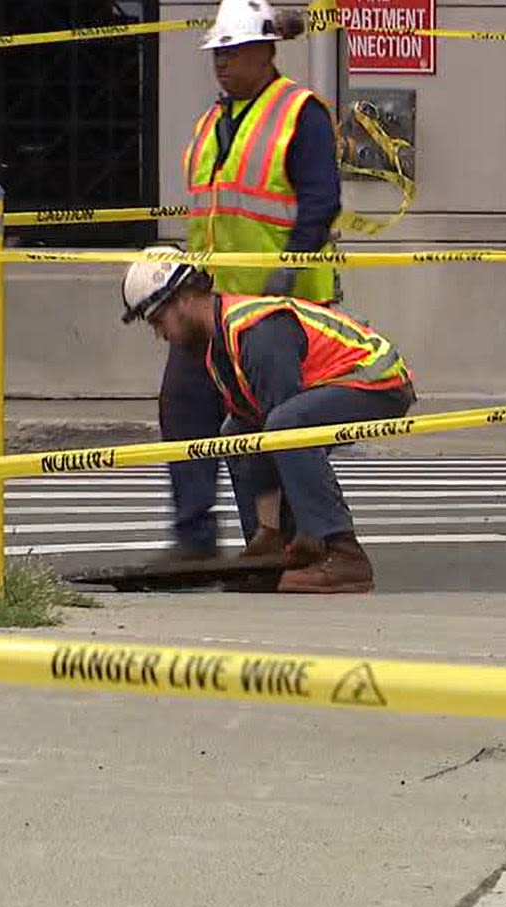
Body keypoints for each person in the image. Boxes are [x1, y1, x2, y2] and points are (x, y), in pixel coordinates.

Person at [159, 0, 343, 563]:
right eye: (218, 52)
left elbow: (320, 202)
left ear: (266, 52)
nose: (222, 62)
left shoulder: (300, 112)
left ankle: (279, 545)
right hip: (213, 304)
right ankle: (194, 539)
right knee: (184, 406)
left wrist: (286, 269)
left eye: (233, 51)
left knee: (266, 427)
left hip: (275, 308)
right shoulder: (213, 122)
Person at [121, 254, 415, 594]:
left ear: (185, 299)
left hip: (378, 379)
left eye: (159, 320)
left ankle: (344, 554)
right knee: (236, 433)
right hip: (343, 382)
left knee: (286, 424)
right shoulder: (220, 347)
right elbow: (253, 427)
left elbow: (288, 436)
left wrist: (308, 532)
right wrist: (271, 534)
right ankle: (272, 544)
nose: (160, 334)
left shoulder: (258, 333)